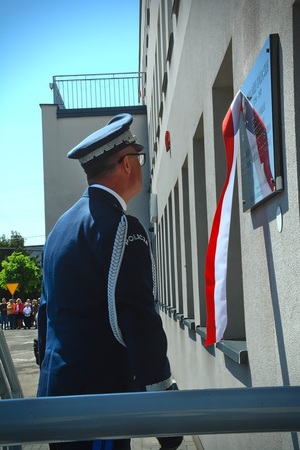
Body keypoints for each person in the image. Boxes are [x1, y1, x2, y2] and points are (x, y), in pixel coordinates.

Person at [37, 114, 183, 450]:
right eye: (139, 157)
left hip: (55, 398)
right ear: (127, 164)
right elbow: (140, 324)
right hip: (99, 404)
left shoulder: (61, 228)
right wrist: (166, 416)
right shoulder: (121, 227)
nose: (142, 167)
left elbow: (47, 320)